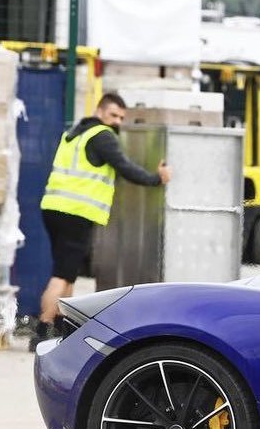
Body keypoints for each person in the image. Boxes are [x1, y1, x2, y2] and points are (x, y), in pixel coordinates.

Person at [32, 92, 171, 351]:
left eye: (121, 117)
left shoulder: (74, 133)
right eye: (113, 115)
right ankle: (43, 329)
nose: (117, 121)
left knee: (68, 273)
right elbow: (125, 167)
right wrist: (157, 178)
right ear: (100, 111)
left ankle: (61, 325)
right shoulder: (103, 136)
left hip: (54, 207)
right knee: (61, 275)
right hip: (76, 212)